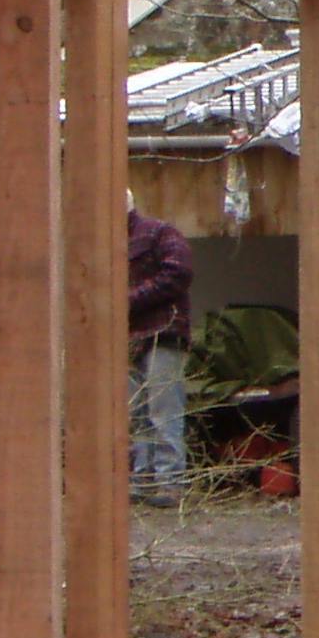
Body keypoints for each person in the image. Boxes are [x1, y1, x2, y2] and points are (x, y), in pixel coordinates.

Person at [127, 202, 193, 503]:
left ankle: (170, 482)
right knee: (136, 413)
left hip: (162, 334)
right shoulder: (107, 242)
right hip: (127, 338)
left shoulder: (158, 233)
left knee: (163, 411)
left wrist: (129, 299)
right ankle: (143, 481)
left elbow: (179, 273)